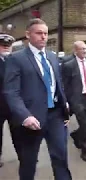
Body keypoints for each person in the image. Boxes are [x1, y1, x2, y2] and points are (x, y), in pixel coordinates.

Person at [3, 18, 72, 180]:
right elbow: (11, 92)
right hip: (32, 117)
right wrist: (24, 115)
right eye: (39, 33)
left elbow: (57, 84)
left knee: (61, 157)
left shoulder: (52, 57)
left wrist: (64, 107)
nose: (43, 37)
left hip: (55, 115)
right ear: (28, 35)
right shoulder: (16, 59)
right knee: (29, 161)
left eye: (46, 34)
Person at [62, 41, 86, 162]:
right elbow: (65, 85)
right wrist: (67, 101)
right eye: (82, 49)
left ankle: (76, 135)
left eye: (85, 49)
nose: (84, 51)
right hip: (77, 99)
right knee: (84, 124)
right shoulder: (68, 65)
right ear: (75, 50)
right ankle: (85, 151)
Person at [0, 33, 16, 167]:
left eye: (8, 45)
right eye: (3, 45)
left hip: (14, 106)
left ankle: (25, 156)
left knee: (19, 134)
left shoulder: (17, 61)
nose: (6, 48)